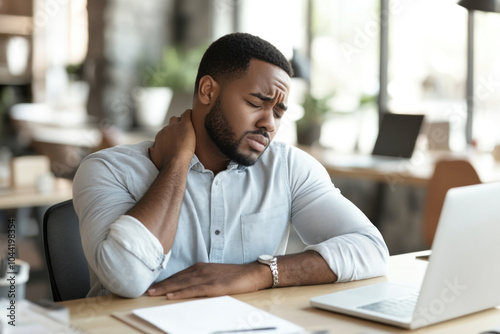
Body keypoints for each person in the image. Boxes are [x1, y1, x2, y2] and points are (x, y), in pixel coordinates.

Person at [73, 32, 389, 299]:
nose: (269, 123)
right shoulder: (108, 169)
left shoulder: (289, 168)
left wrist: (260, 274)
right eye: (256, 103)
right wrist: (178, 163)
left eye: (279, 112)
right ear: (208, 90)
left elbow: (371, 250)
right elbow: (126, 278)